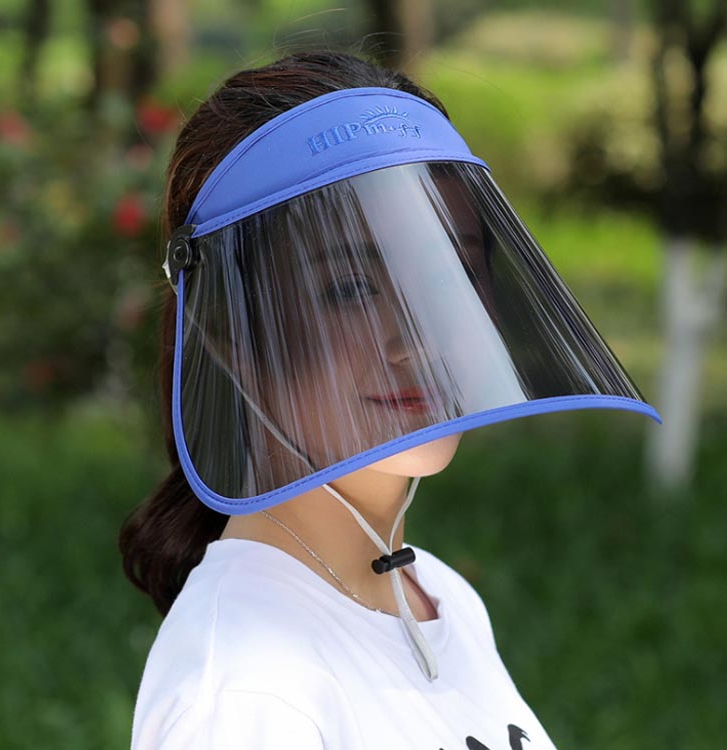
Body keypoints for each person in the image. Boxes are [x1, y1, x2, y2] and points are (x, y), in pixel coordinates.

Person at [121, 51, 660, 749]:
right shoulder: (249, 696)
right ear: (229, 336)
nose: (420, 338)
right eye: (350, 288)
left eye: (449, 271)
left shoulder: (438, 598)